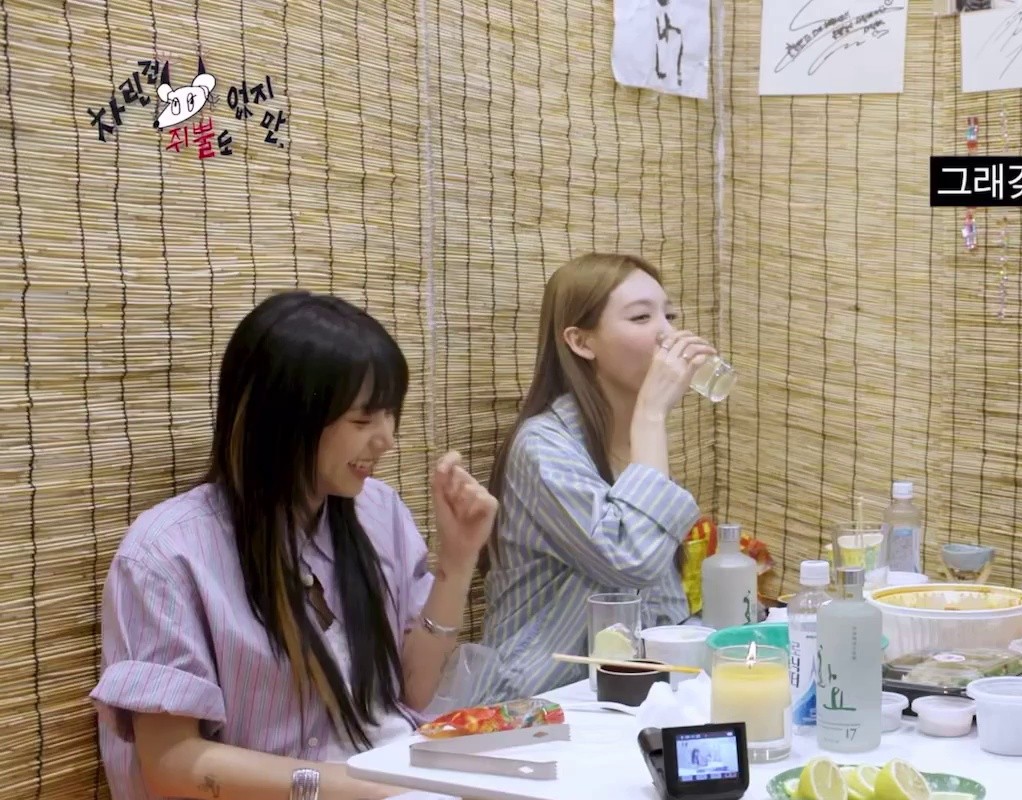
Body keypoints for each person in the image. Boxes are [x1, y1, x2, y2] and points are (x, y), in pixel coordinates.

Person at [91, 291, 498, 800]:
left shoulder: (379, 511)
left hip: (398, 777)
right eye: (362, 420)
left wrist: (457, 561)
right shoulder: (168, 553)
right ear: (284, 419)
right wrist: (363, 788)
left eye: (390, 414)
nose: (386, 439)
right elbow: (173, 764)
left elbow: (412, 693)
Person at [478, 253, 713, 699]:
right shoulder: (543, 447)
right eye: (641, 317)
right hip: (539, 701)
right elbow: (632, 561)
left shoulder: (632, 442)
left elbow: (661, 602)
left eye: (670, 316)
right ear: (581, 342)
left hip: (628, 693)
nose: (668, 335)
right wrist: (651, 413)